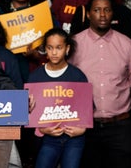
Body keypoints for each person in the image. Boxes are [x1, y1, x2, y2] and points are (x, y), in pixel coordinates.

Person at [69, 0, 131, 168]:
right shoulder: (73, 45)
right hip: (85, 127)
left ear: (112, 14)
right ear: (88, 15)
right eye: (97, 10)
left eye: (107, 10)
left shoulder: (128, 46)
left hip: (120, 127)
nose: (102, 14)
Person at [28, 28, 88, 168]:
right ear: (45, 50)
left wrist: (82, 129)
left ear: (67, 48)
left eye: (59, 48)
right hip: (48, 139)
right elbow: (28, 111)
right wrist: (41, 129)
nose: (54, 52)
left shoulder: (77, 76)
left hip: (74, 138)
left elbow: (86, 107)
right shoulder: (35, 77)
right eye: (50, 48)